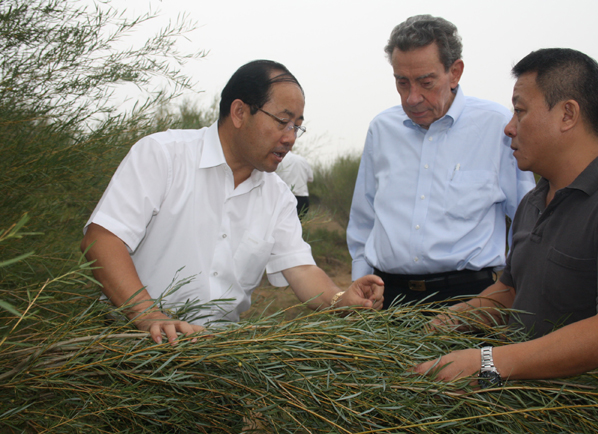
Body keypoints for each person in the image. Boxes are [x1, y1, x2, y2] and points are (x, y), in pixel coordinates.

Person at [80, 60, 384, 344]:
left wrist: (338, 299)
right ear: (239, 112)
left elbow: (300, 269)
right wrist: (149, 316)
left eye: (297, 126)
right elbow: (103, 240)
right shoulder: (163, 155)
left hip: (215, 352)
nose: (290, 138)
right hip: (132, 340)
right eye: (282, 121)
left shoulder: (277, 195)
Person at [414, 48, 598, 385]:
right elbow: (510, 292)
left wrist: (486, 362)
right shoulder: (533, 203)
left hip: (595, 409)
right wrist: (441, 322)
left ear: (567, 114)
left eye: (520, 111)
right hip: (529, 402)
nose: (509, 128)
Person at [347, 15, 535, 308]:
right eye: (402, 82)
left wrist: (508, 291)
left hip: (472, 298)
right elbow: (363, 220)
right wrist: (360, 285)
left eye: (426, 82)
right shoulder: (382, 129)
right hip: (388, 299)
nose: (412, 98)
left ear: (455, 72)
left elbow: (526, 219)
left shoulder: (497, 126)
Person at [276, 150, 314, 219]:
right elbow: (310, 178)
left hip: (283, 197)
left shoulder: (278, 160)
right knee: (298, 225)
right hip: (302, 198)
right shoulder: (302, 160)